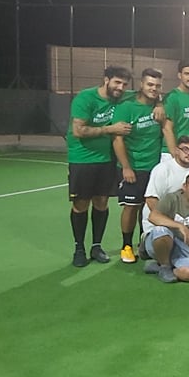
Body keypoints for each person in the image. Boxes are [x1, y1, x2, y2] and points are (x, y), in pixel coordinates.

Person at [66, 65, 134, 267]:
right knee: (81, 204)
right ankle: (79, 248)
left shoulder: (122, 97)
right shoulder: (85, 98)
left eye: (124, 84)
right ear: (106, 80)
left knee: (102, 202)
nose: (120, 88)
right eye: (117, 82)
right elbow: (78, 131)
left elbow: (147, 95)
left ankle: (96, 246)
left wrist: (159, 104)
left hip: (106, 160)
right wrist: (110, 129)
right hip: (82, 159)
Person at [111, 68, 165, 263]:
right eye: (150, 84)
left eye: (157, 86)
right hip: (133, 167)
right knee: (131, 207)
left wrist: (160, 103)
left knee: (150, 207)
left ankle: (145, 243)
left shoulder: (159, 106)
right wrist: (126, 167)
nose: (153, 88)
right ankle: (126, 246)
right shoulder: (126, 107)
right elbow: (117, 139)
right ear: (141, 84)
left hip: (155, 167)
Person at [143, 172, 189, 284]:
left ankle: (159, 267)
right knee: (161, 230)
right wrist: (180, 226)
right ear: (184, 187)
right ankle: (164, 266)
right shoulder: (171, 198)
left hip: (184, 247)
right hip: (162, 241)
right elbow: (153, 217)